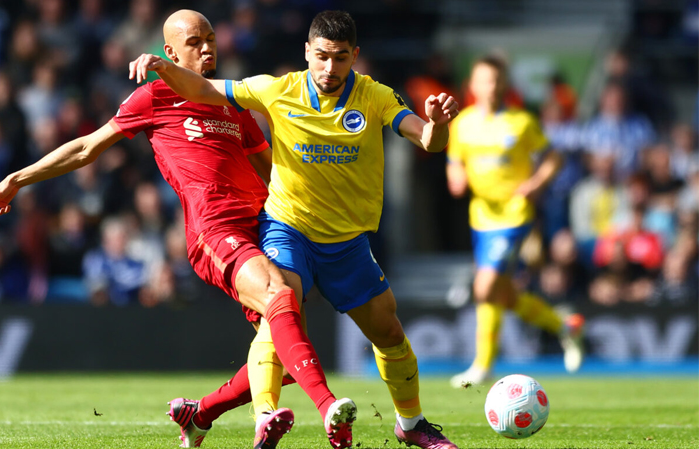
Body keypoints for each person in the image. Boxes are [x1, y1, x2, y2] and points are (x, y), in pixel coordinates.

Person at [0, 10, 353, 449]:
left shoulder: (233, 102)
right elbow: (86, 148)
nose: (208, 47)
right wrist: (15, 180)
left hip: (265, 228)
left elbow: (272, 170)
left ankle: (200, 415)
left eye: (211, 38)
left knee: (284, 353)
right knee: (280, 299)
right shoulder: (154, 97)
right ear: (169, 53)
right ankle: (326, 409)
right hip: (215, 229)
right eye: (195, 41)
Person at [129, 10, 460, 449]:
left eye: (340, 58)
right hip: (288, 229)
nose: (329, 68)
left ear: (354, 57)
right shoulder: (276, 89)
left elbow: (426, 139)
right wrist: (163, 66)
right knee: (276, 310)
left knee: (388, 332)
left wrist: (437, 124)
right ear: (307, 52)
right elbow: (204, 88)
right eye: (321, 56)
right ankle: (265, 417)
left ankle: (412, 424)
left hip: (346, 242)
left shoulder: (376, 96)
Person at [445, 56, 585, 388]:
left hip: (514, 215)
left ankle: (482, 365)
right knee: (503, 295)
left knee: (486, 285)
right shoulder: (462, 124)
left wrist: (534, 185)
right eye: (484, 81)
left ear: (505, 85)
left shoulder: (521, 122)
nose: (491, 87)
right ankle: (566, 327)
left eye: (496, 81)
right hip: (481, 216)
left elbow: (554, 157)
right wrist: (456, 177)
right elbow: (454, 160)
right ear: (473, 86)